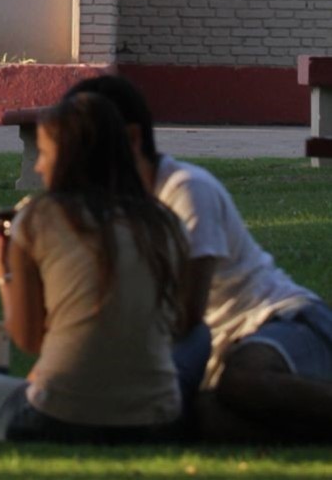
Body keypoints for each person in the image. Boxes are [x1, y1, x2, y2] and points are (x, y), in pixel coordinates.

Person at [65, 75, 332, 442]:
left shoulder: (186, 189)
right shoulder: (113, 215)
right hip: (221, 354)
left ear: (131, 139)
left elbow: (188, 314)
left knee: (244, 380)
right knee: (203, 417)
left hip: (280, 320)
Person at [0, 93, 194, 443]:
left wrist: (4, 276)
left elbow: (29, 338)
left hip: (60, 416)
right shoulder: (165, 223)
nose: (39, 167)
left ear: (69, 158)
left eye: (45, 154)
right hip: (158, 418)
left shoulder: (40, 218)